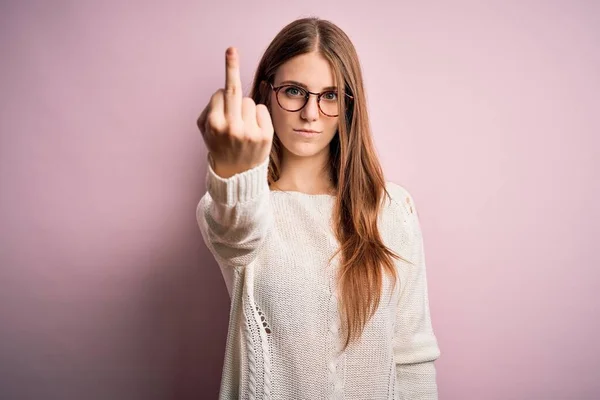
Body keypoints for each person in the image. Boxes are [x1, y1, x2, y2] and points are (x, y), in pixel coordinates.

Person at [196, 17, 441, 400]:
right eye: (294, 91)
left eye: (329, 96)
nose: (311, 113)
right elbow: (236, 233)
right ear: (266, 92)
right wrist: (232, 171)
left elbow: (413, 356)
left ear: (347, 106)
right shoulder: (239, 204)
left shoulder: (392, 209)